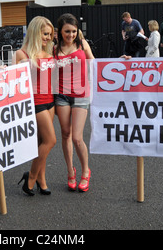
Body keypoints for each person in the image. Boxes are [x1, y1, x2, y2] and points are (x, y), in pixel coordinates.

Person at [15, 16, 56, 196]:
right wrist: (3, 69)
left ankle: (42, 179)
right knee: (50, 140)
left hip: (50, 100)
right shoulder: (21, 54)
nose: (47, 37)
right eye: (44, 34)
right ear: (34, 32)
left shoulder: (51, 50)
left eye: (49, 34)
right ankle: (31, 176)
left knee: (42, 143)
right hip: (35, 102)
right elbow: (12, 81)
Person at [54, 13, 95, 192]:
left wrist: (122, 61)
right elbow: (35, 59)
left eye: (73, 31)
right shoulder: (54, 49)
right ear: (60, 32)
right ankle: (70, 171)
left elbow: (95, 63)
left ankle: (85, 171)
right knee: (65, 134)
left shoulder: (82, 44)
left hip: (81, 94)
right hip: (61, 95)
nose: (70, 35)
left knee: (77, 138)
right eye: (67, 31)